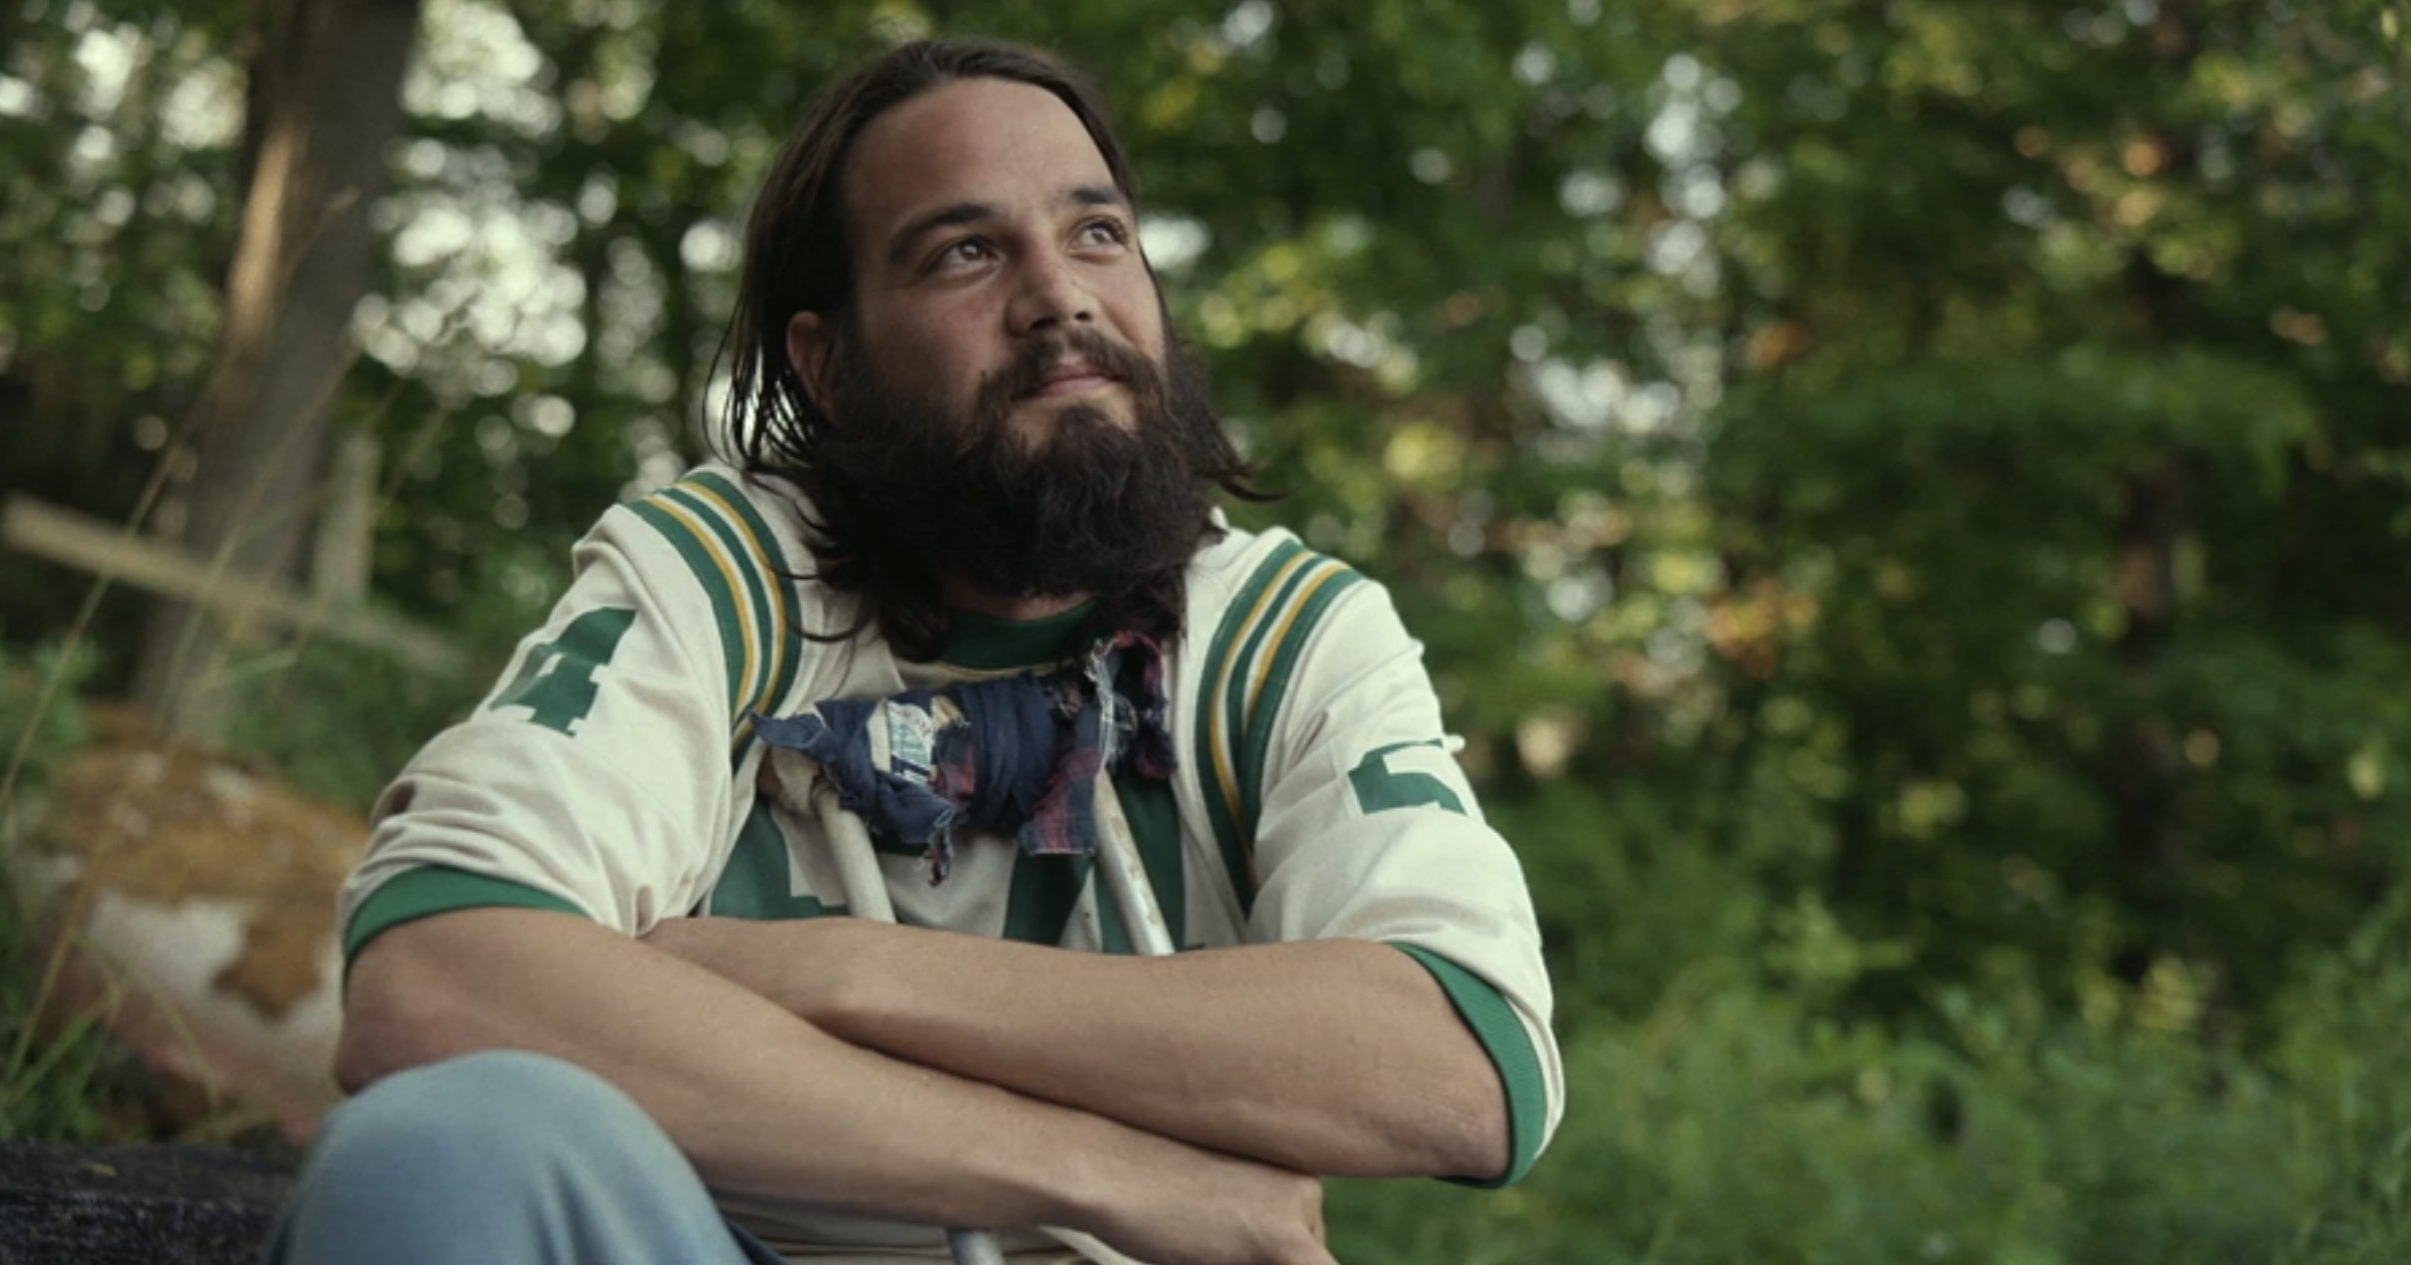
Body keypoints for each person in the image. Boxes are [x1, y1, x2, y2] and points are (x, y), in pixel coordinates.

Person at [269, 37, 1561, 1265]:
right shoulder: (724, 580)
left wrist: (837, 974)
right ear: (828, 369)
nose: (1058, 296)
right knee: (439, 1152)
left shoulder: (1286, 637)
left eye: (1097, 232)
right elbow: (437, 976)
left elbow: (1459, 1060)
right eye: (963, 253)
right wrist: (1114, 1172)